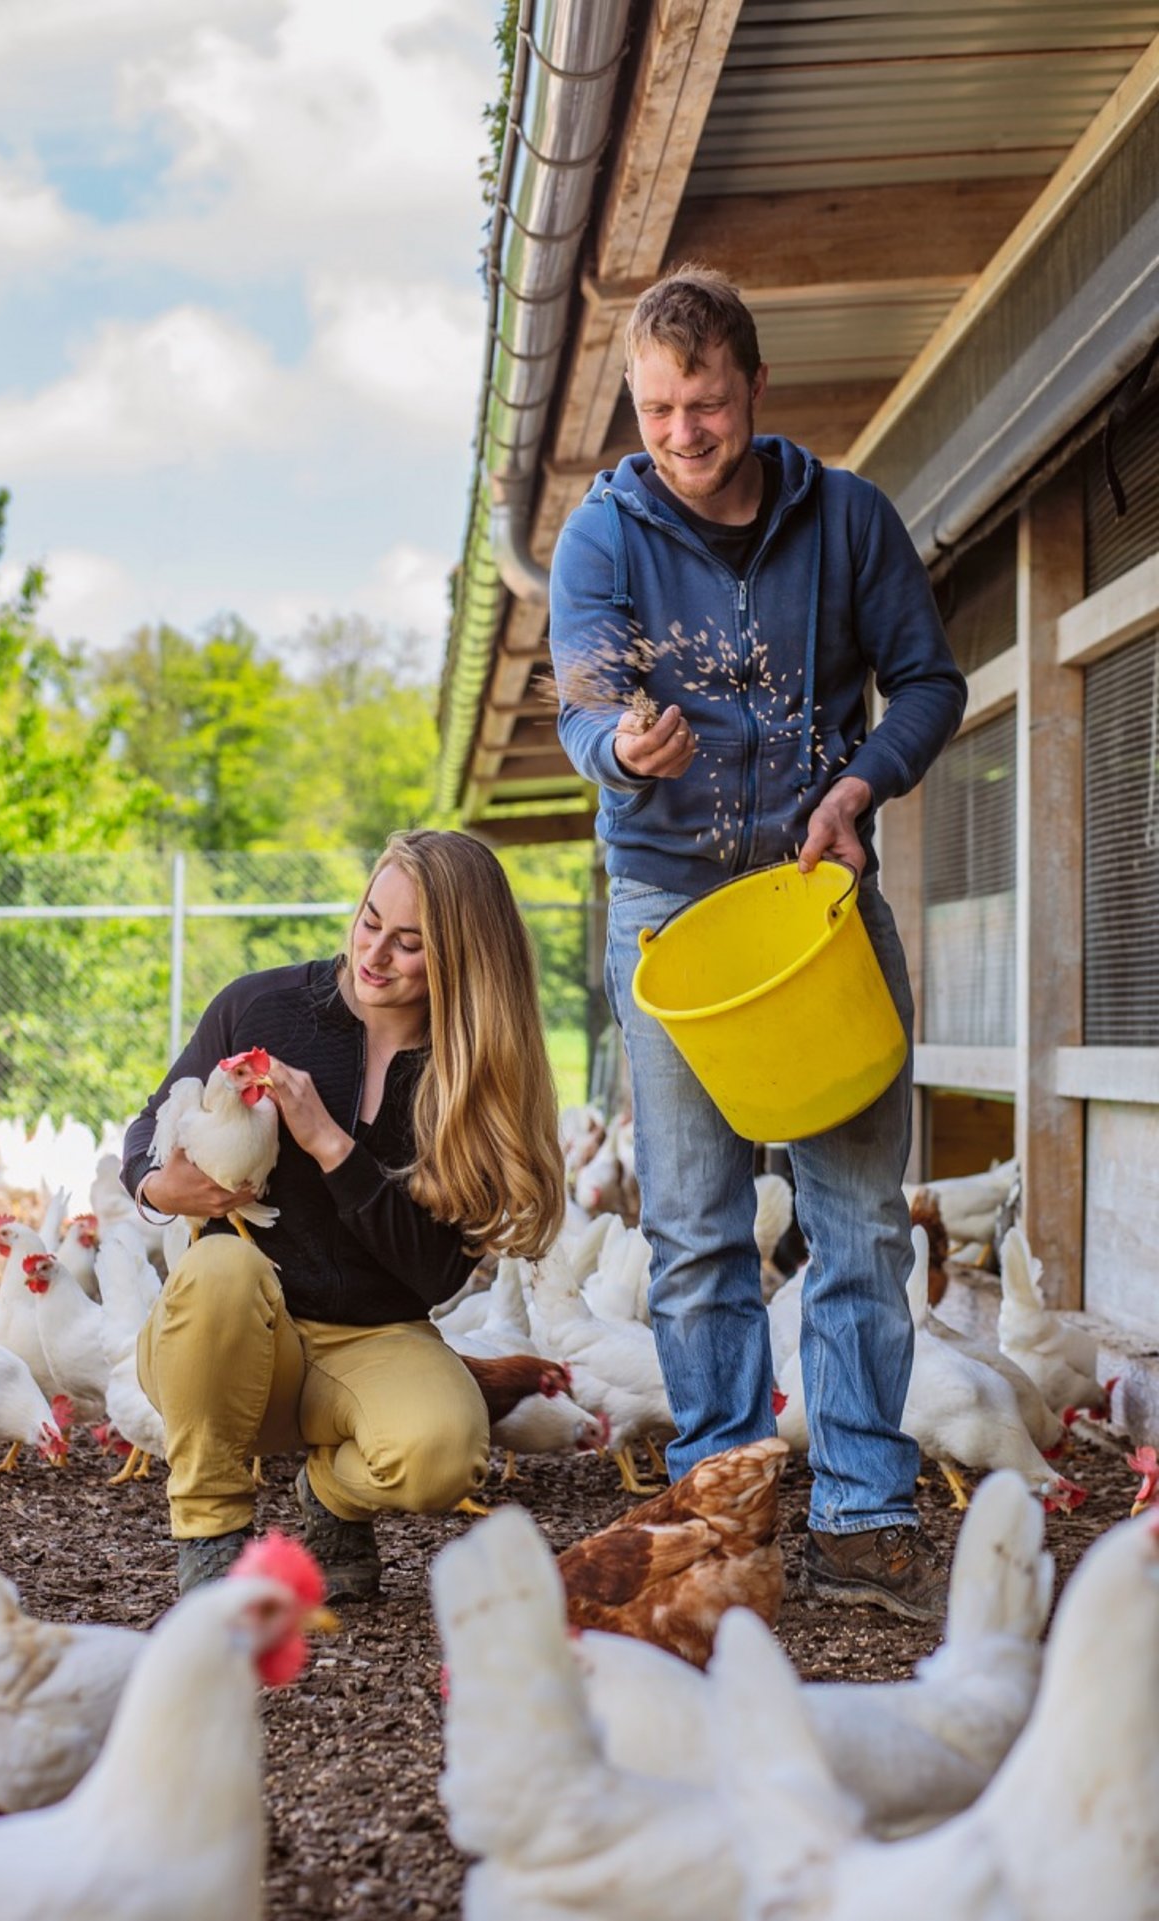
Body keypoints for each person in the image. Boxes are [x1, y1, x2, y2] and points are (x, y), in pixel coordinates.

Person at [548, 264, 967, 1623]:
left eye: (707, 405)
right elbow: (585, 709)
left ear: (754, 392)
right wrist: (621, 745)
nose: (682, 434)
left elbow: (931, 681)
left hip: (816, 898)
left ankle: (863, 1513)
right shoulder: (602, 539)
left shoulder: (845, 520)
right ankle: (728, 1514)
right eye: (658, 409)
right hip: (672, 915)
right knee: (693, 1232)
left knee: (854, 1221)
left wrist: (856, 787)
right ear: (636, 400)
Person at [121, 828, 566, 1600]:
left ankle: (328, 1503)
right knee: (222, 1265)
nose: (374, 955)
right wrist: (160, 1190)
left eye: (408, 944)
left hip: (375, 1336)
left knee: (442, 1452)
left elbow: (434, 1272)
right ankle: (211, 1539)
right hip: (234, 1334)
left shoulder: (472, 1077)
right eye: (369, 922)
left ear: (460, 958)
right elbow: (148, 1128)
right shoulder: (264, 1007)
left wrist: (329, 1143)